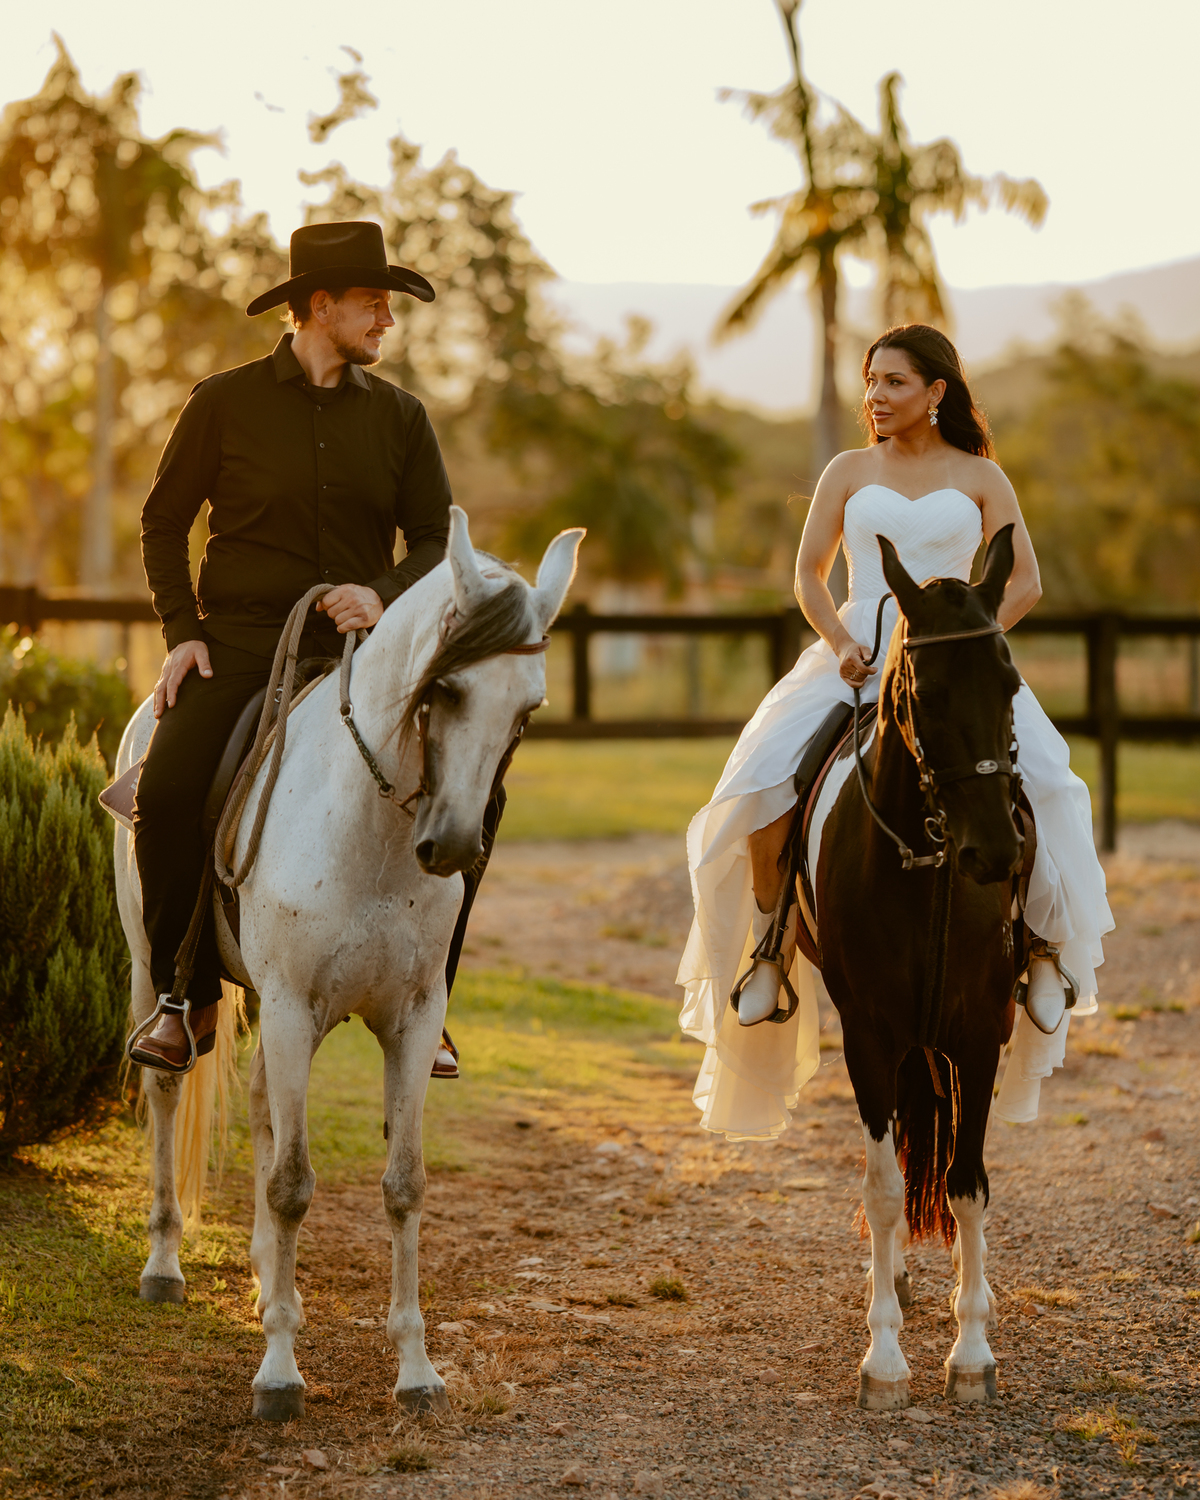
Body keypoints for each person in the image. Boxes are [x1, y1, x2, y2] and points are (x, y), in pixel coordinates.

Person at [676, 323, 1113, 1141]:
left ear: (936, 392)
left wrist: (969, 644)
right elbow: (808, 574)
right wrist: (842, 642)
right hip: (860, 656)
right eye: (871, 382)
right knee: (762, 779)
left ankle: (1042, 948)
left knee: (1051, 782)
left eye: (895, 383)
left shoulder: (981, 476)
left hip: (954, 665)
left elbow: (1025, 580)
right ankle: (771, 943)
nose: (875, 397)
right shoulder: (848, 471)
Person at [130, 220, 490, 1074]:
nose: (387, 321)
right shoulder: (222, 403)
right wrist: (183, 634)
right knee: (169, 789)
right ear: (319, 307)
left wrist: (382, 594)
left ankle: (430, 997)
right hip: (242, 646)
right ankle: (182, 998)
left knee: (477, 792)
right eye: (373, 304)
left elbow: (436, 540)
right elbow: (163, 521)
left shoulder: (401, 417)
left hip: (365, 660)